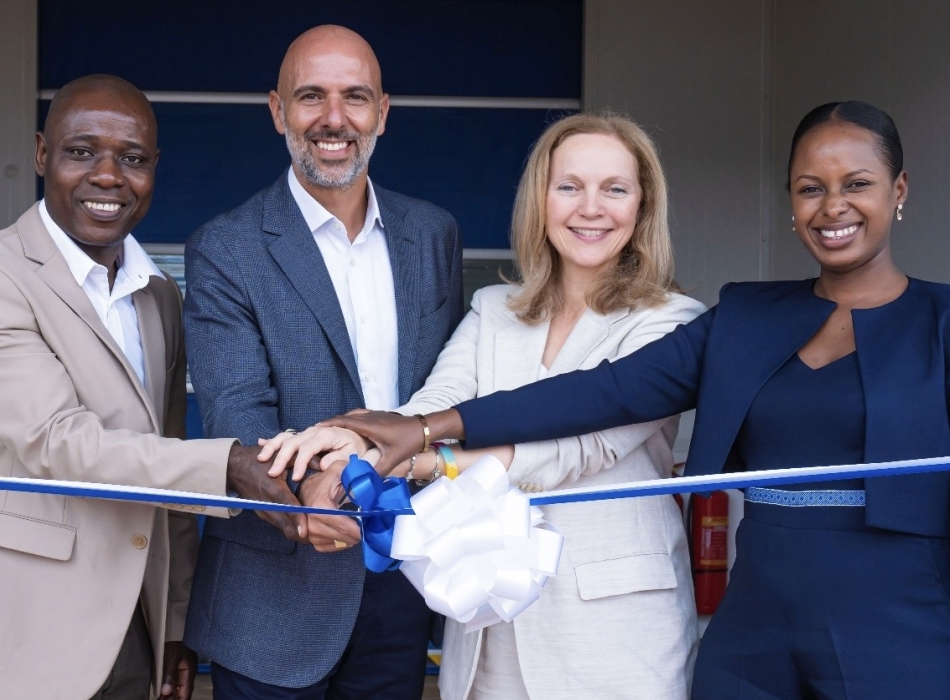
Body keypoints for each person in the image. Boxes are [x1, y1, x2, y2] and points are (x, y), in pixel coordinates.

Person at [322, 102, 950, 699]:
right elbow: (607, 391)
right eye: (810, 187)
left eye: (859, 184)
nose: (833, 206)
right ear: (789, 201)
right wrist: (426, 425)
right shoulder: (746, 317)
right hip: (754, 637)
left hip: (899, 633)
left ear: (899, 191)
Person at [260, 112, 705, 699]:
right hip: (488, 622)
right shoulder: (495, 308)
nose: (590, 208)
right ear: (540, 201)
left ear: (643, 207)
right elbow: (433, 407)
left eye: (614, 189)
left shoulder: (671, 322)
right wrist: (356, 445)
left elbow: (576, 450)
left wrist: (406, 459)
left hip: (613, 630)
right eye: (569, 186)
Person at [0, 75, 307, 700]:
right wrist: (232, 465)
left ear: (154, 168)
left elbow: (168, 461)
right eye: (81, 152)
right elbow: (58, 441)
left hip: (134, 624)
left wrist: (175, 619)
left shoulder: (159, 297)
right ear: (43, 154)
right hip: (20, 623)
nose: (108, 176)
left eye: (132, 159)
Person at [180, 25, 465, 700]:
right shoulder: (225, 247)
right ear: (278, 111)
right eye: (311, 97)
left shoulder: (434, 234)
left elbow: (448, 387)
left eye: (354, 98)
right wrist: (313, 492)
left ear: (383, 113)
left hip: (402, 582)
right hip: (274, 593)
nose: (334, 119)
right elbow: (237, 411)